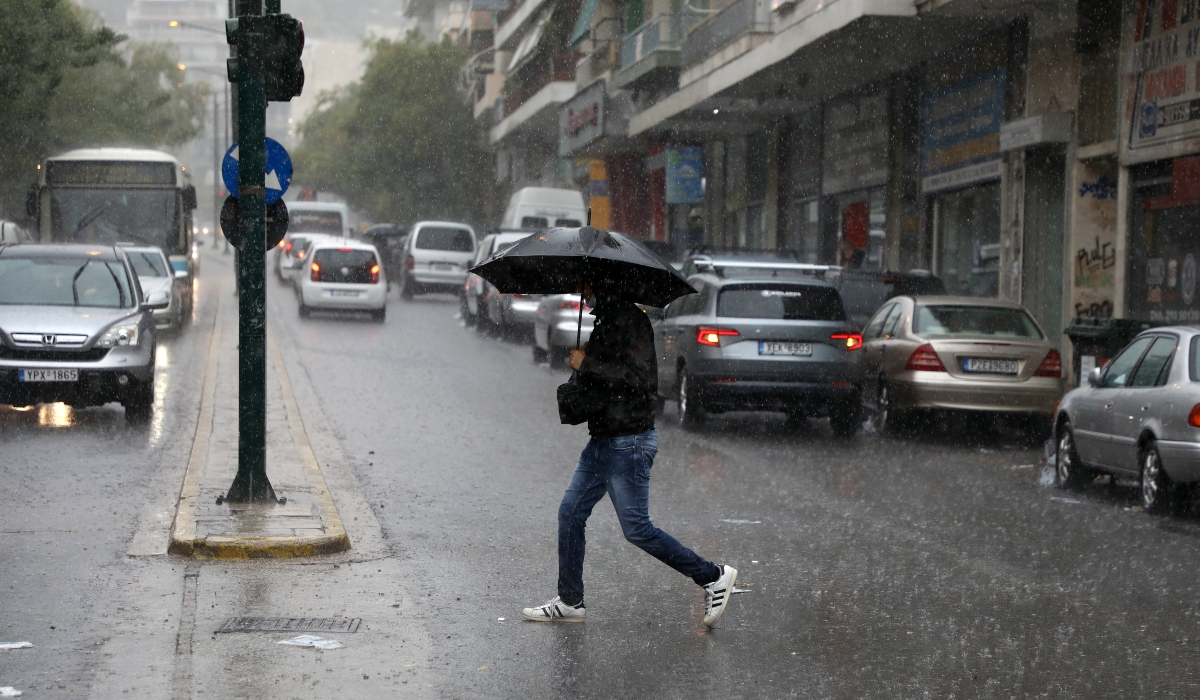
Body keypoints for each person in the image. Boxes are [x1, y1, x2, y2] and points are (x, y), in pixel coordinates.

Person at [521, 280, 737, 628]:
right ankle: (570, 601)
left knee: (637, 529)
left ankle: (713, 576)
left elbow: (634, 379)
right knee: (570, 513)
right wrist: (587, 361)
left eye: (584, 284)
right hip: (604, 440)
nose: (581, 292)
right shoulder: (609, 320)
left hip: (628, 441)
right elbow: (611, 375)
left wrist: (586, 363)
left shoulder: (628, 320)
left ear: (598, 283)